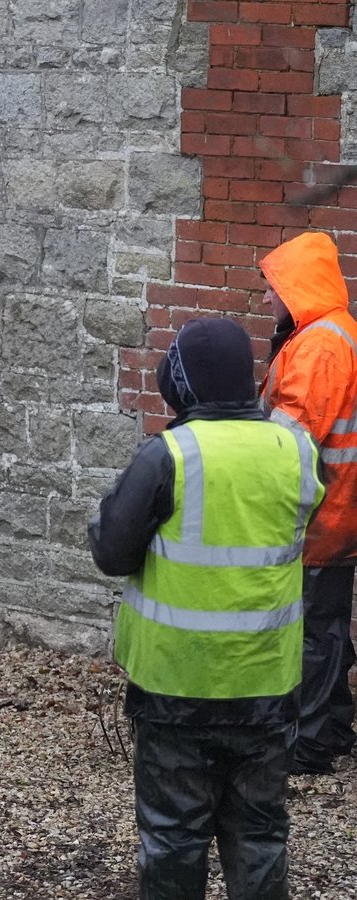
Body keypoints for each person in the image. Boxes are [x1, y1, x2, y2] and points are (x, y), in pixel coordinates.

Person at [89, 317, 323, 900]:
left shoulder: (169, 453)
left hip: (178, 687)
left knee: (173, 837)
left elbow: (113, 553)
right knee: (261, 834)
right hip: (267, 685)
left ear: (184, 383)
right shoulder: (294, 449)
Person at [258, 230, 357, 775]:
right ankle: (333, 726)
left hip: (319, 514)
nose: (268, 299)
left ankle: (314, 742)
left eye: (273, 288)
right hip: (338, 509)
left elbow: (289, 441)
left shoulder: (318, 345)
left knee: (315, 630)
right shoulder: (337, 333)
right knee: (328, 624)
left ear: (297, 286)